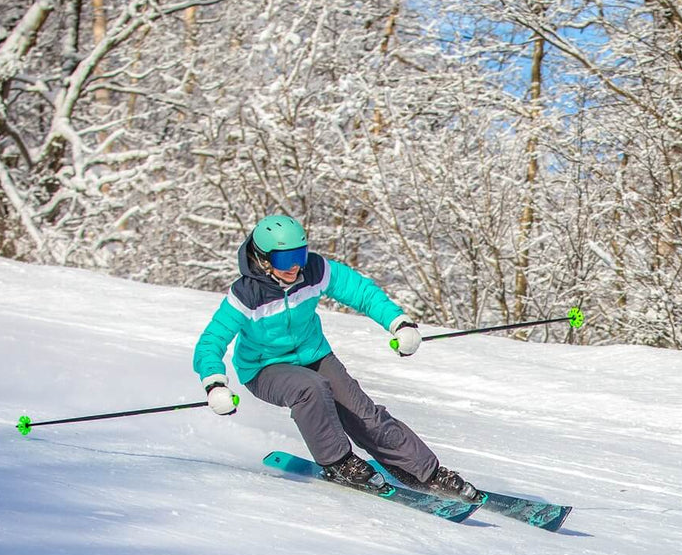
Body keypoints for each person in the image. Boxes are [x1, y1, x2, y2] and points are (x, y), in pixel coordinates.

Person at [192, 214, 481, 500]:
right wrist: (215, 384)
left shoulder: (315, 271)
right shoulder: (246, 295)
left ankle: (426, 473)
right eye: (284, 260)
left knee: (364, 413)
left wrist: (399, 323)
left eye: (299, 255)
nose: (295, 266)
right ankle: (338, 462)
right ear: (264, 259)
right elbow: (211, 342)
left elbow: (361, 292)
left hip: (314, 355)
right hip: (264, 369)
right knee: (311, 388)